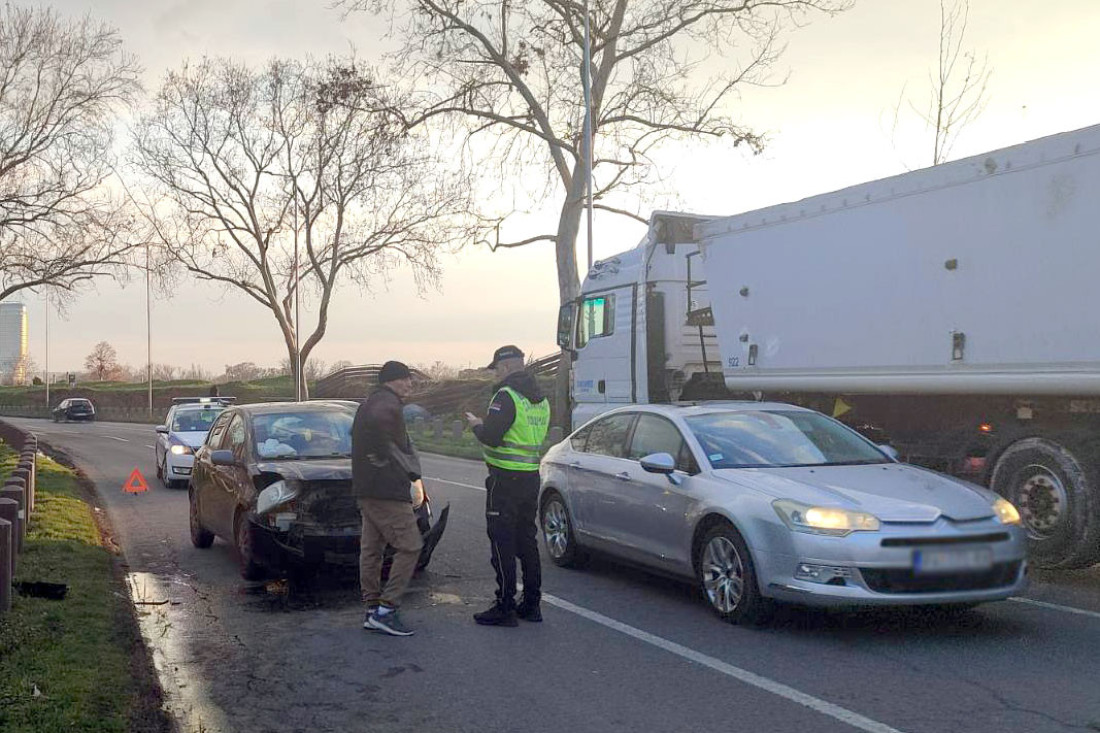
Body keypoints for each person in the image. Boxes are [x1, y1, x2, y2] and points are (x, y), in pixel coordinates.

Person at [466, 345, 550, 627]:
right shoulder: (539, 399)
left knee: (502, 542)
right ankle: (532, 604)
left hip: (504, 480)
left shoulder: (506, 396)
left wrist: (477, 425)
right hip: (530, 477)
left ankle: (505, 606)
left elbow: (491, 436)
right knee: (527, 540)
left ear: (504, 368)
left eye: (496, 370)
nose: (494, 375)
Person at [352, 360, 424, 636]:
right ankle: (387, 610)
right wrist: (387, 455)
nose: (409, 384)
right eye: (406, 379)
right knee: (411, 546)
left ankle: (372, 609)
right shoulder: (387, 403)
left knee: (372, 550)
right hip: (387, 490)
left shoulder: (370, 401)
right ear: (392, 380)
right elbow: (380, 426)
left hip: (368, 489)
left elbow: (363, 431)